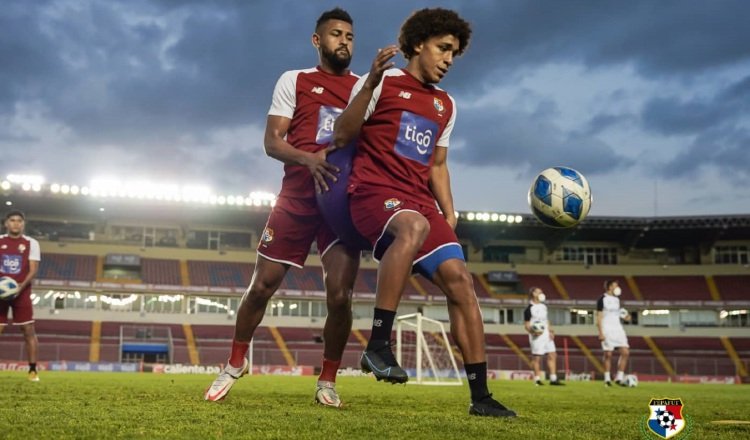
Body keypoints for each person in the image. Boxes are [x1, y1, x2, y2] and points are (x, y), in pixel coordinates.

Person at [332, 8, 516, 417]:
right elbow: (342, 135)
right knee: (412, 226)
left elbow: (436, 165)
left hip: (419, 201)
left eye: (454, 52)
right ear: (418, 44)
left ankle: (480, 397)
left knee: (460, 281)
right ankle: (378, 345)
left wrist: (450, 212)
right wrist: (371, 83)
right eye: (443, 48)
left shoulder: (446, 106)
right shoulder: (383, 82)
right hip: (372, 194)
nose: (449, 59)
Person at [204, 7, 361, 407]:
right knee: (262, 287)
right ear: (317, 40)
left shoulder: (365, 89)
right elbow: (272, 142)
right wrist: (309, 159)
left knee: (340, 297)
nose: (343, 41)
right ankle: (235, 362)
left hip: (340, 206)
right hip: (296, 199)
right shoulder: (295, 80)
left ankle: (327, 380)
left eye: (349, 36)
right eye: (335, 34)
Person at [0, 210, 41, 381]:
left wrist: (19, 287)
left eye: (19, 221)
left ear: (23, 224)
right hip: (1, 292)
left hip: (22, 291)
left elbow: (33, 269)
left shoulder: (32, 243)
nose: (16, 223)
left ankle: (32, 370)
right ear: (6, 223)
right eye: (12, 220)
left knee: (28, 330)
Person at [523, 287, 564, 386]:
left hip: (546, 335)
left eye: (542, 291)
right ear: (533, 294)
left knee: (552, 355)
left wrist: (550, 330)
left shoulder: (543, 307)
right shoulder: (529, 309)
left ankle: (553, 379)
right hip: (536, 336)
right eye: (539, 292)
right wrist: (533, 332)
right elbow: (527, 325)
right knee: (537, 358)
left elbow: (546, 320)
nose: (541, 293)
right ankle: (537, 379)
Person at [597, 279, 631, 386]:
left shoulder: (617, 300)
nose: (617, 288)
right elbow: (599, 316)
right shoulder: (602, 299)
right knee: (608, 354)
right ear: (610, 287)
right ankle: (607, 379)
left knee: (625, 352)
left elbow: (619, 314)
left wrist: (626, 317)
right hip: (607, 329)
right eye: (616, 286)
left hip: (618, 329)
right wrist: (601, 332)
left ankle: (619, 377)